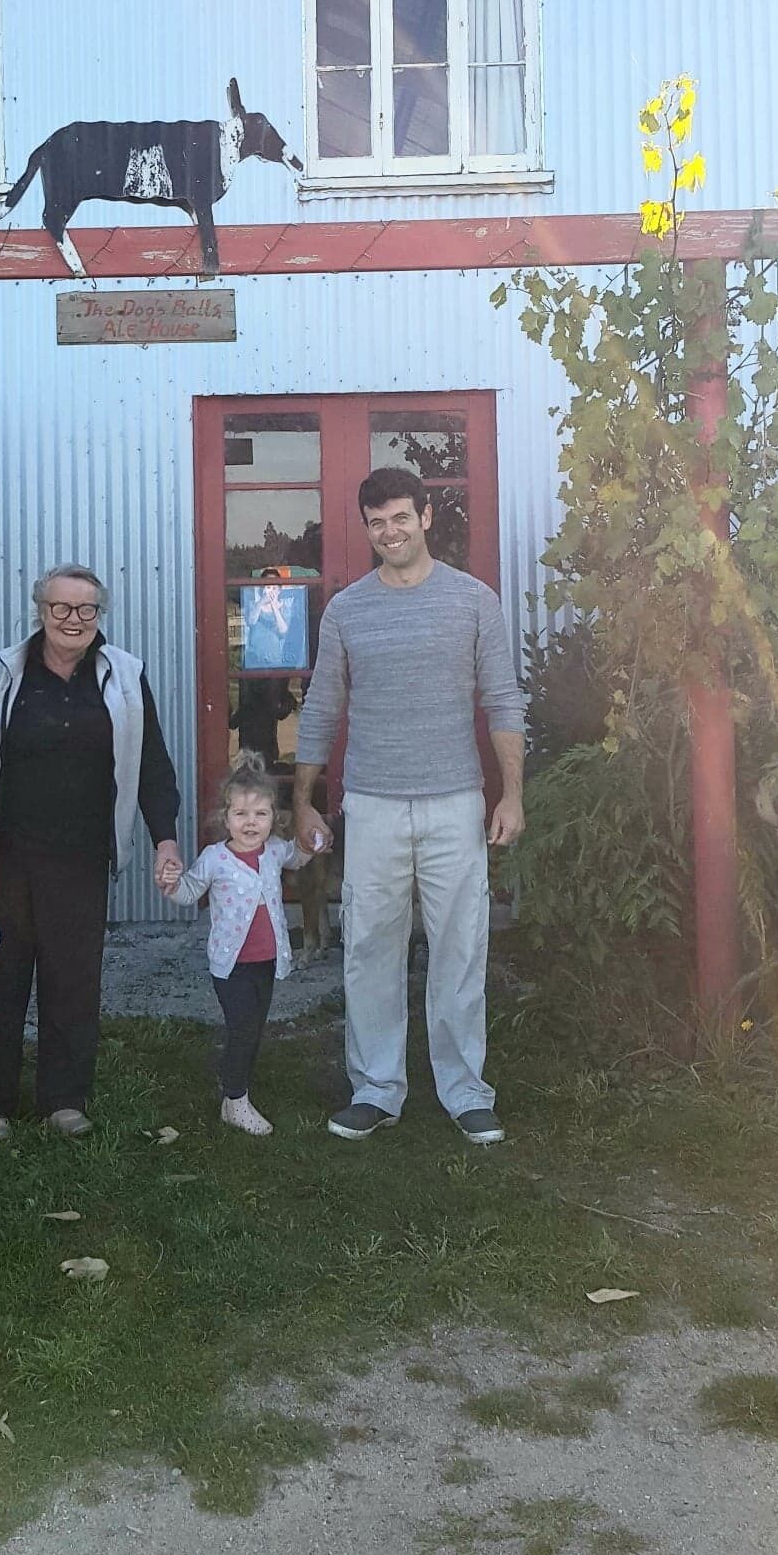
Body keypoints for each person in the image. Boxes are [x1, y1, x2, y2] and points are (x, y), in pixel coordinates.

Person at [292, 469, 525, 1145]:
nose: (389, 532)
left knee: (459, 946)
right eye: (376, 522)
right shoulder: (347, 610)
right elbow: (321, 709)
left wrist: (512, 792)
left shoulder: (474, 602)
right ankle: (375, 1088)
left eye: (400, 517)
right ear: (366, 528)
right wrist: (306, 803)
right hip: (371, 804)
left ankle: (465, 1091)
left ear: (425, 515)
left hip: (456, 800)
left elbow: (503, 700)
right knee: (369, 946)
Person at [0, 565, 182, 1142]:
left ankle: (65, 1101)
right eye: (61, 608)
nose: (73, 620)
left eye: (86, 610)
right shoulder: (0, 675)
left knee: (73, 980)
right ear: (40, 610)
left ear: (100, 615)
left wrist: (165, 837)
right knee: (1, 981)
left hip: (81, 859)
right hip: (8, 857)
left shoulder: (125, 676)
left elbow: (152, 764)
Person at [158, 750, 307, 1136]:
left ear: (274, 817)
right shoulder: (216, 859)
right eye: (240, 814)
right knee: (241, 1027)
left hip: (267, 960)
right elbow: (189, 892)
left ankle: (235, 1082)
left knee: (254, 1027)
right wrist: (172, 884)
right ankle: (234, 1099)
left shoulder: (274, 850)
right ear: (225, 818)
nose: (250, 822)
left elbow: (298, 856)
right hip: (231, 964)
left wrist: (314, 840)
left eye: (260, 813)